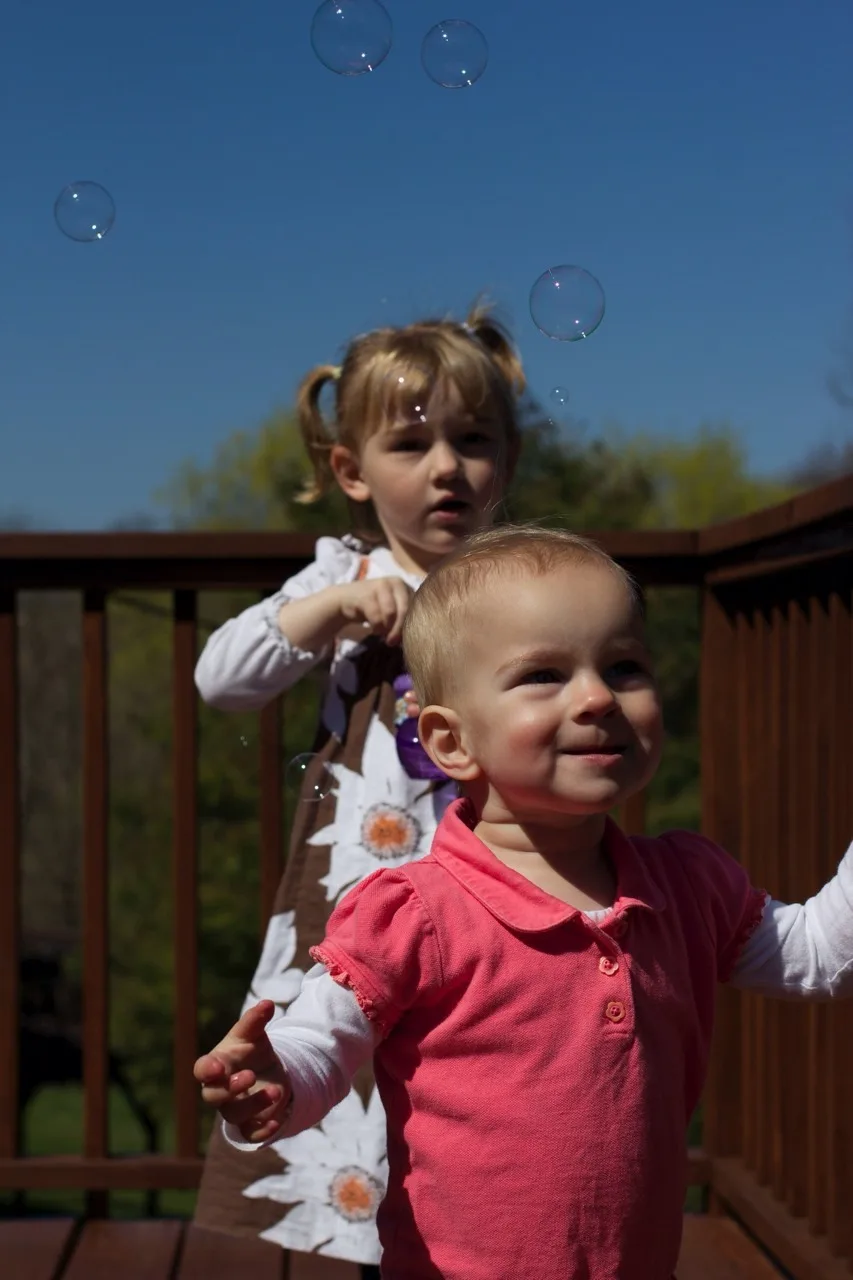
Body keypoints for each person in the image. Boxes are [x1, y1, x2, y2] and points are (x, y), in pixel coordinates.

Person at [195, 525, 853, 1280]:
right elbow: (327, 1042)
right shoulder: (416, 910)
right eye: (544, 674)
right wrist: (275, 1078)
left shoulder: (686, 885)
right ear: (449, 742)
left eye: (625, 666)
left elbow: (817, 957)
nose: (599, 696)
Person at [192, 310, 524, 1271]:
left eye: (472, 441)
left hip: (486, 899)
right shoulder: (350, 576)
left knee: (470, 1087)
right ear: (351, 472)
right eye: (410, 444)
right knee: (331, 1068)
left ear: (506, 459)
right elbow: (222, 679)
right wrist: (331, 609)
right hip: (353, 904)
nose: (446, 468)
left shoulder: (514, 584)